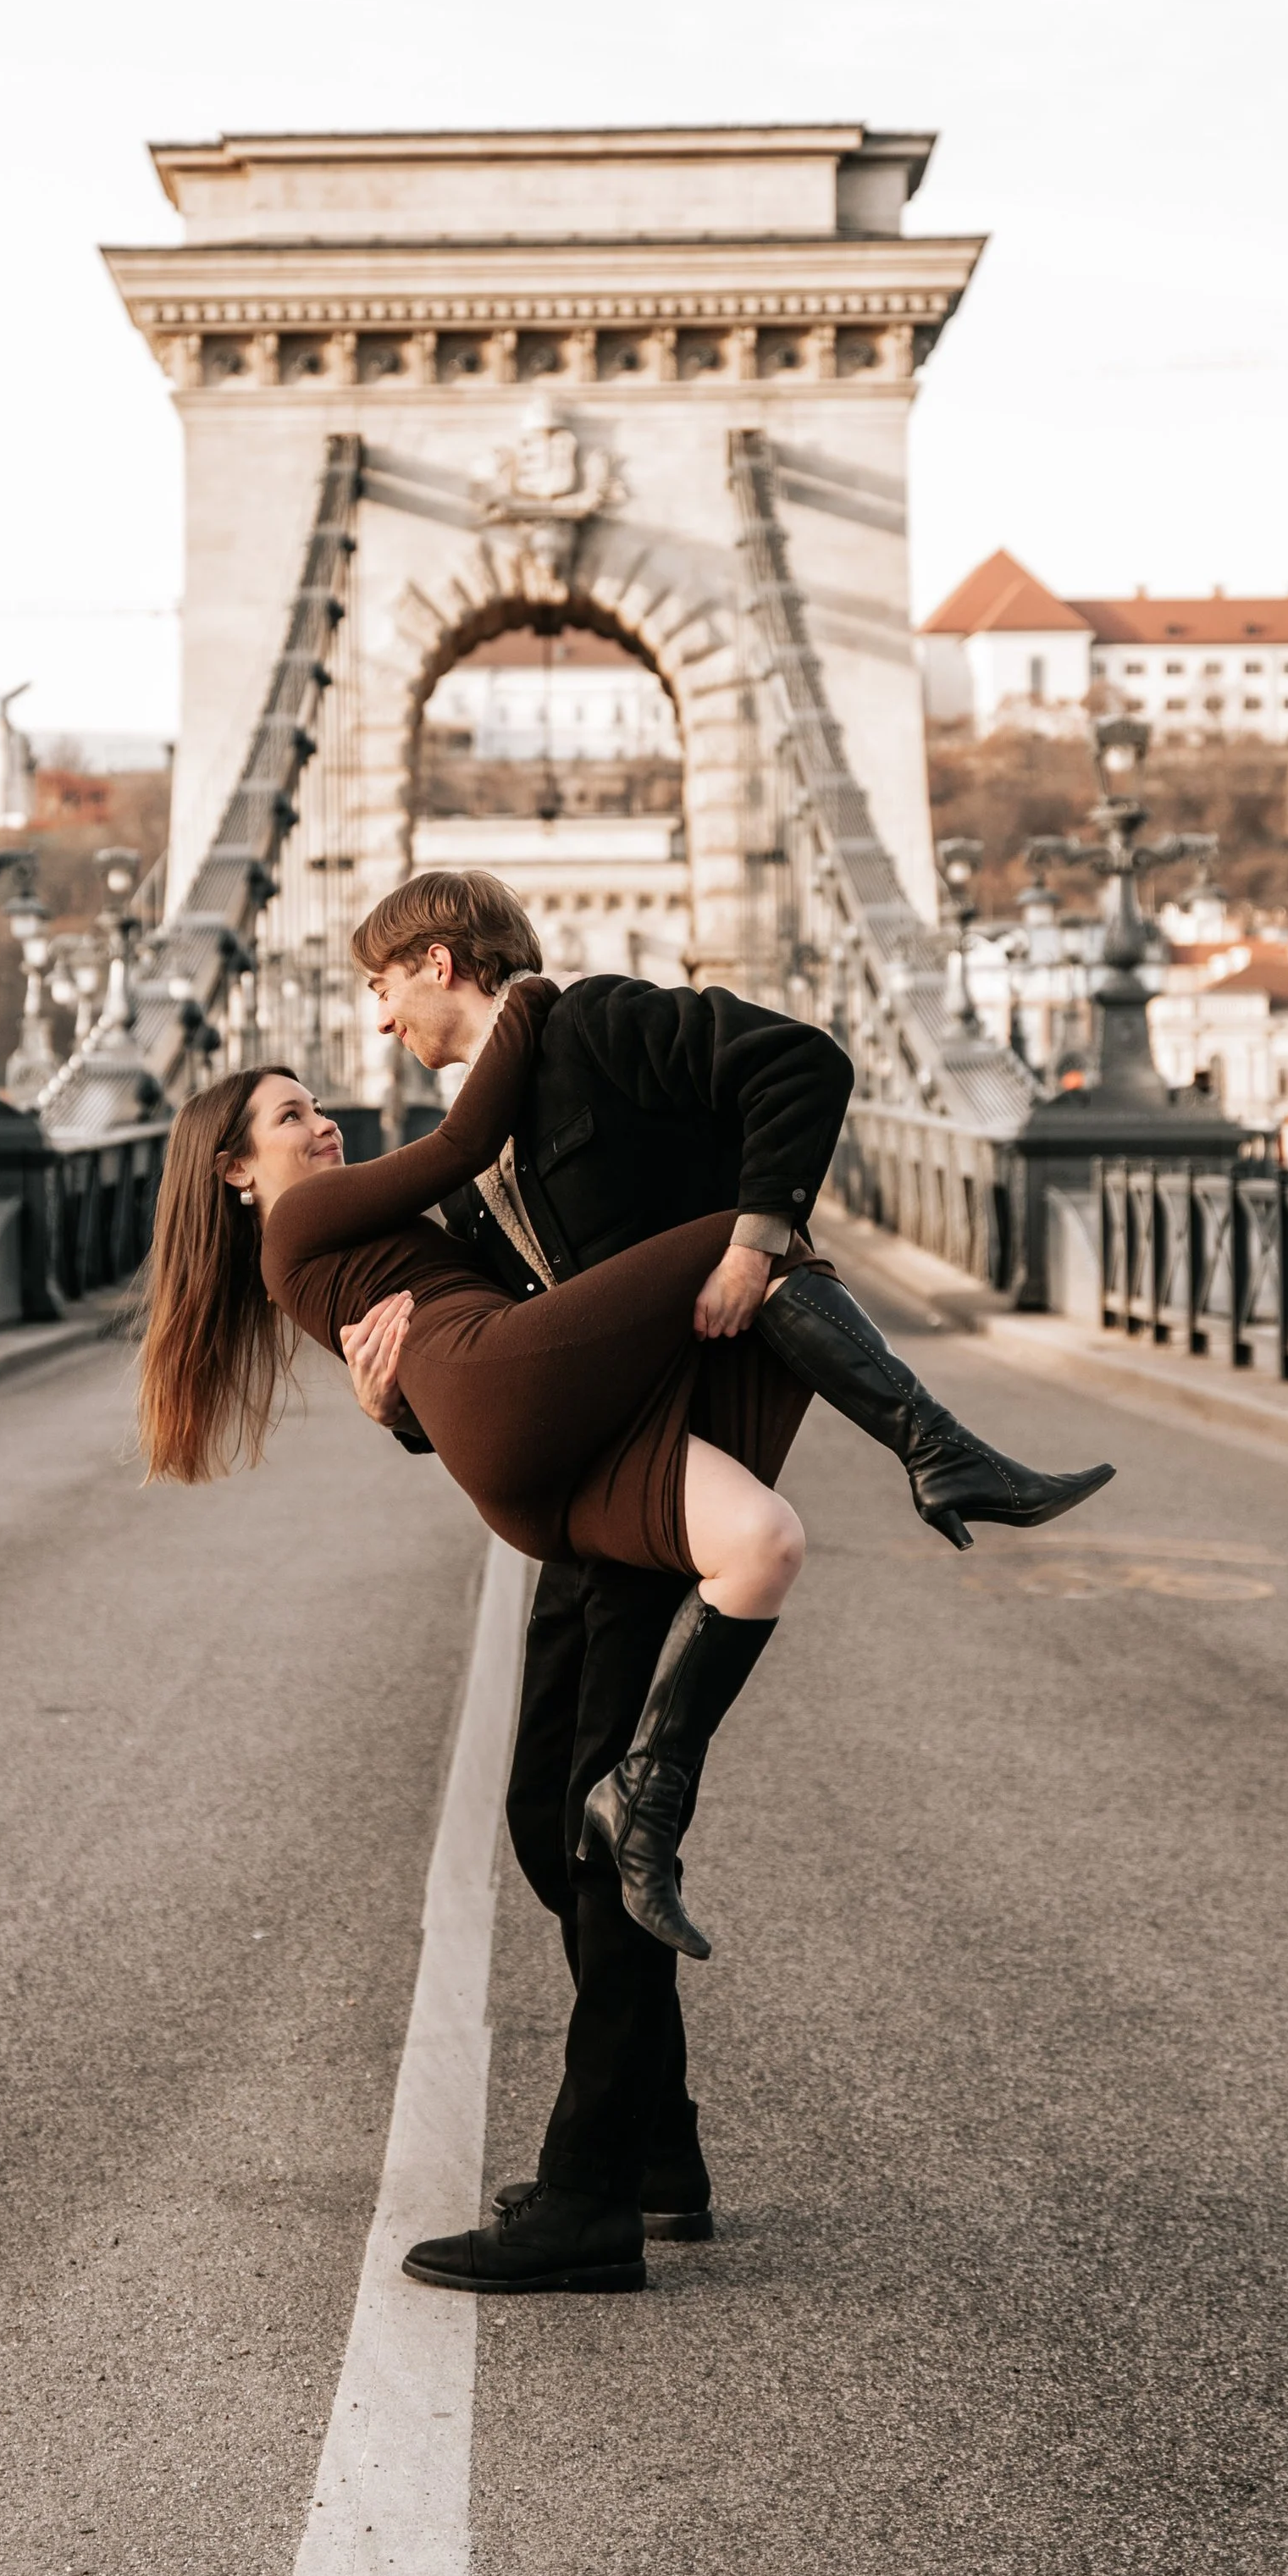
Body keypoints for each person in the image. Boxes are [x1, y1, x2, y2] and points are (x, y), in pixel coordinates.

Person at [336, 873, 1115, 2268]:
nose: (374, 1013)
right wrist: (394, 1400)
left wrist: (758, 1233)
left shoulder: (599, 1026)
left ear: (436, 959)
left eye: (379, 983)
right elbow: (492, 1358)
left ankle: (590, 2199)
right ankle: (658, 2149)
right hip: (597, 1485)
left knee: (597, 1828)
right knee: (540, 1815)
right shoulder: (472, 1157)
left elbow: (802, 1061)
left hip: (668, 1477)